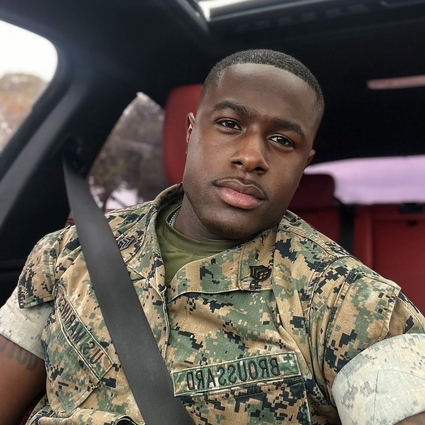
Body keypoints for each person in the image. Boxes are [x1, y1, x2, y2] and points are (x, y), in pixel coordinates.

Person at [0, 49, 424, 425]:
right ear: (191, 132)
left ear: (304, 163)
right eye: (229, 124)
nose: (252, 157)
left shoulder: (351, 303)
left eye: (282, 140)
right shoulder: (66, 252)